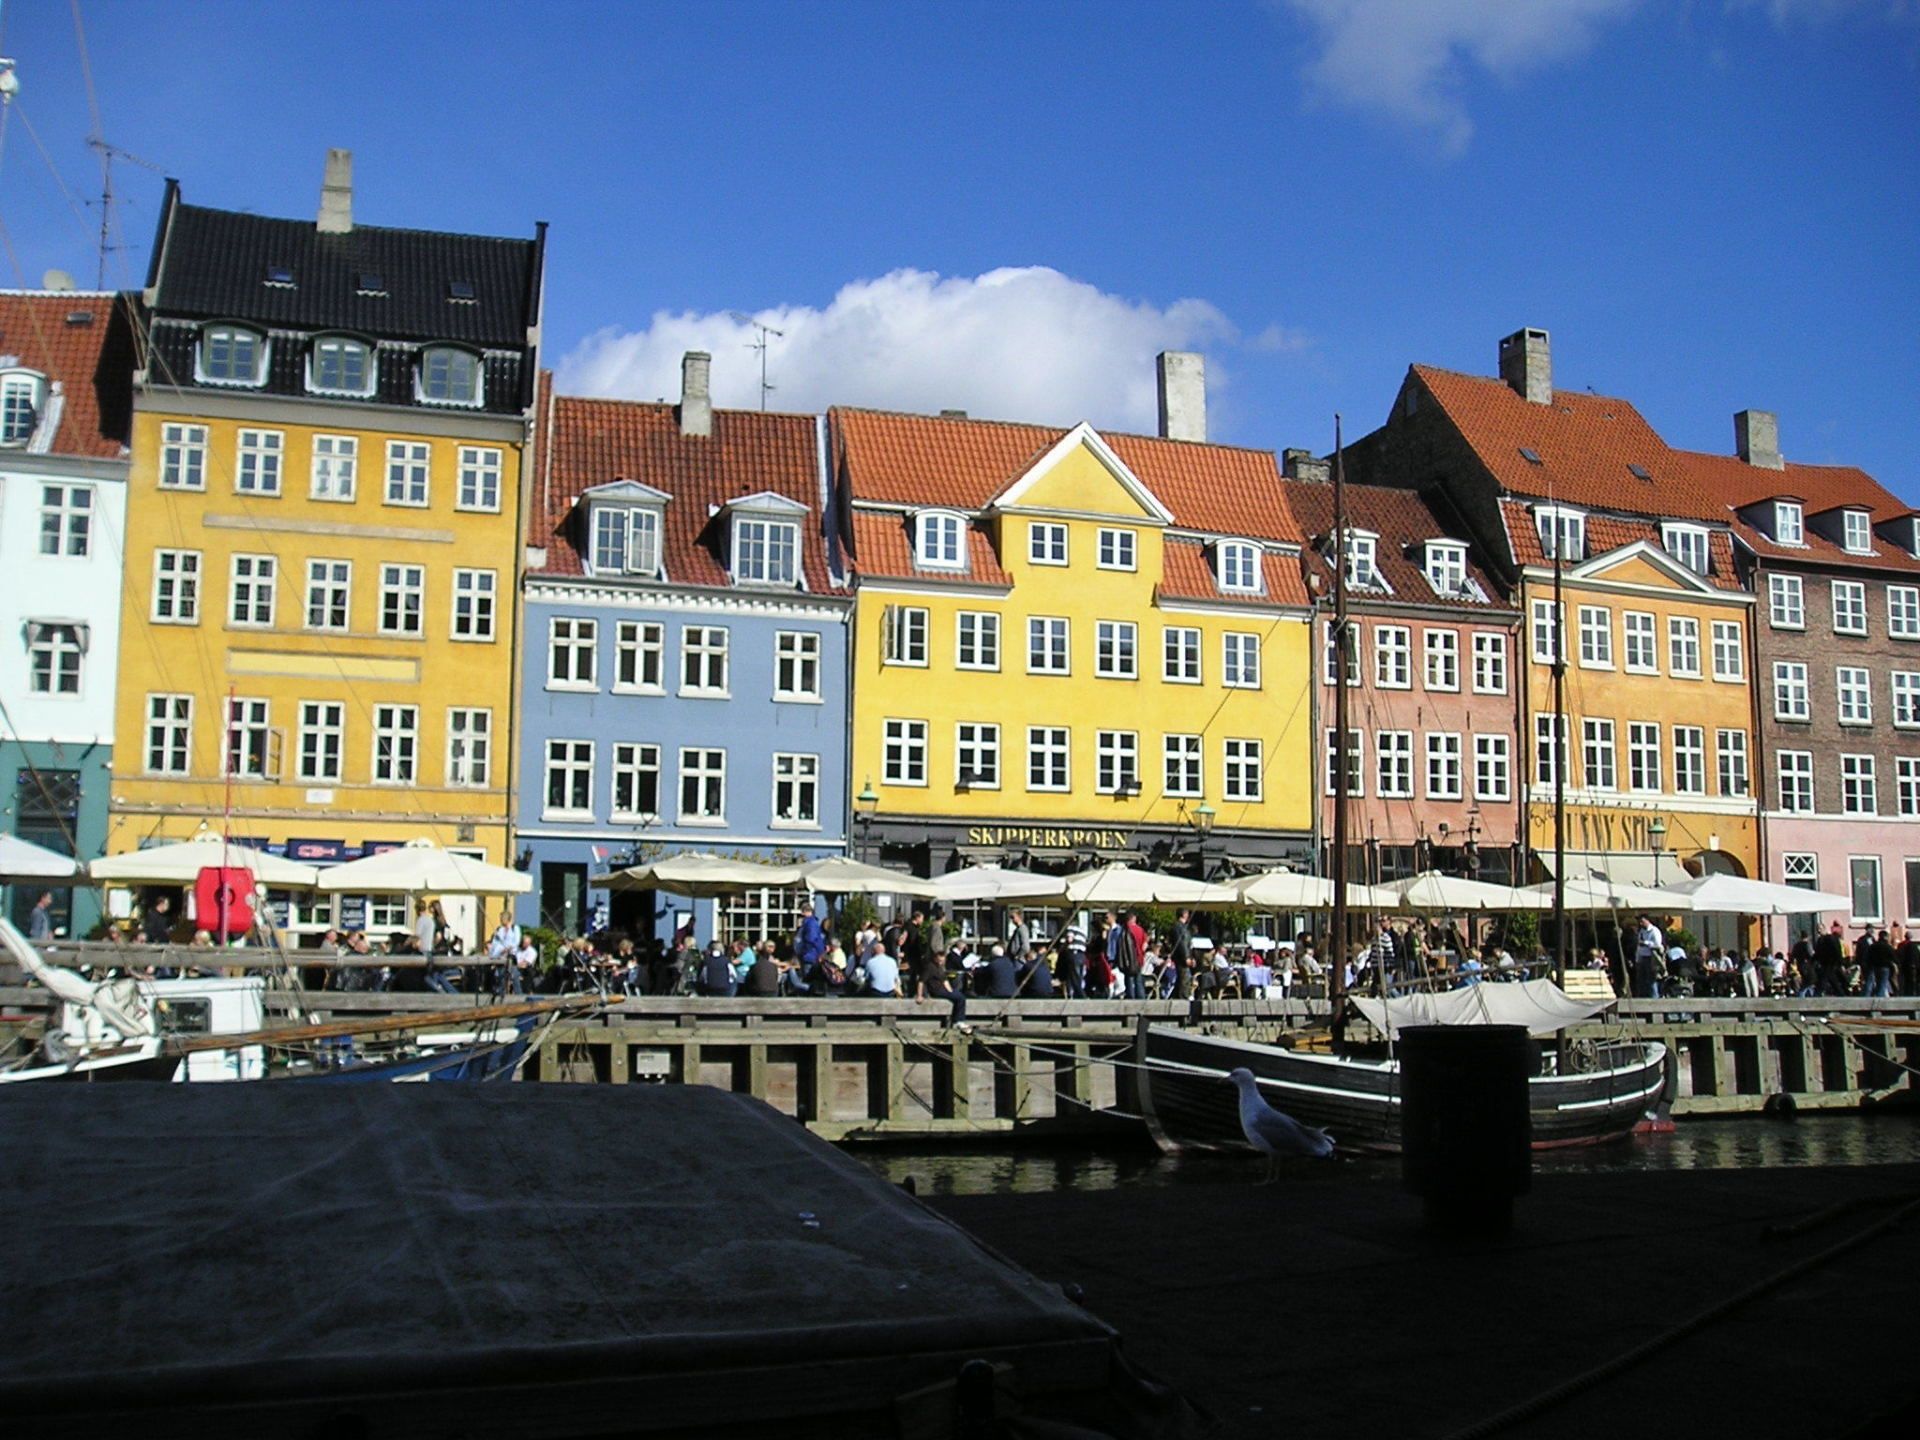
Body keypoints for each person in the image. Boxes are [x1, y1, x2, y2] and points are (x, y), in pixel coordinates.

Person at [1632, 915, 1662, 1000]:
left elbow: (1657, 945)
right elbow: (1638, 946)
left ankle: (1654, 998)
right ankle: (1643, 998)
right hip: (1642, 958)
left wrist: (1646, 943)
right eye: (1639, 922)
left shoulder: (1654, 931)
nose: (1641, 923)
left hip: (1651, 958)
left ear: (1648, 920)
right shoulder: (1641, 931)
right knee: (1642, 981)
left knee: (1651, 980)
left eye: (1642, 921)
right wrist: (1637, 959)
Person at [1813, 920, 1846, 996]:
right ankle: (1841, 994)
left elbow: (1837, 951)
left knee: (1823, 980)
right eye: (1817, 929)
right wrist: (1813, 961)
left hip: (1831, 963)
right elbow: (1817, 953)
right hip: (1824, 963)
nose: (1818, 930)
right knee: (1832, 980)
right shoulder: (1819, 940)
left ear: (1824, 929)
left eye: (1820, 928)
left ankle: (1817, 994)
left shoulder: (1830, 938)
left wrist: (1840, 963)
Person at [1167, 908, 1194, 998]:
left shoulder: (1182, 927)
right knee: (1184, 980)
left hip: (1184, 957)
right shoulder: (1178, 927)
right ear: (1184, 914)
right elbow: (1181, 943)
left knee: (1181, 980)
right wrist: (1186, 957)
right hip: (1182, 959)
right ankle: (1183, 999)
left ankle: (1175, 998)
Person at [1865, 927, 1897, 998]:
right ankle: (1879, 1000)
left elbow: (1868, 957)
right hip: (1885, 967)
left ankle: (1876, 997)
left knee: (1877, 983)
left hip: (1875, 967)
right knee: (1883, 984)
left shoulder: (1873, 946)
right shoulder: (1888, 947)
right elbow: (1894, 957)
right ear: (1885, 937)